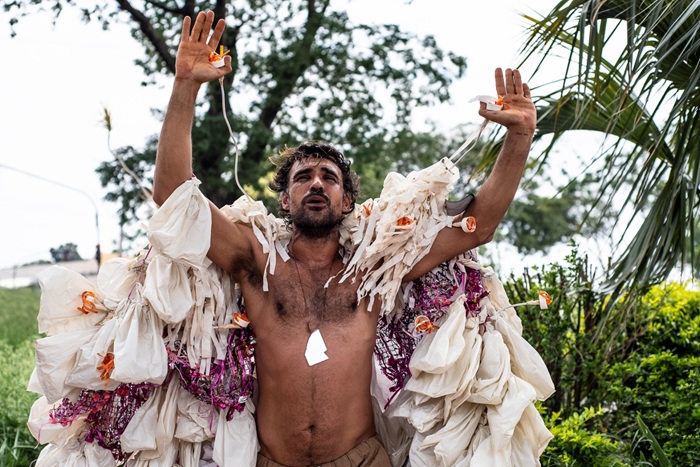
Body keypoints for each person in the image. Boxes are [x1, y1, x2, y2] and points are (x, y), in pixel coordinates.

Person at [152, 10, 536, 467]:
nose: (316, 183)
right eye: (303, 177)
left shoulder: (375, 267)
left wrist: (520, 136)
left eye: (329, 178)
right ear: (284, 200)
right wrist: (185, 85)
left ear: (347, 200)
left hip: (361, 458)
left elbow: (479, 226)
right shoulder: (256, 262)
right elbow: (173, 197)